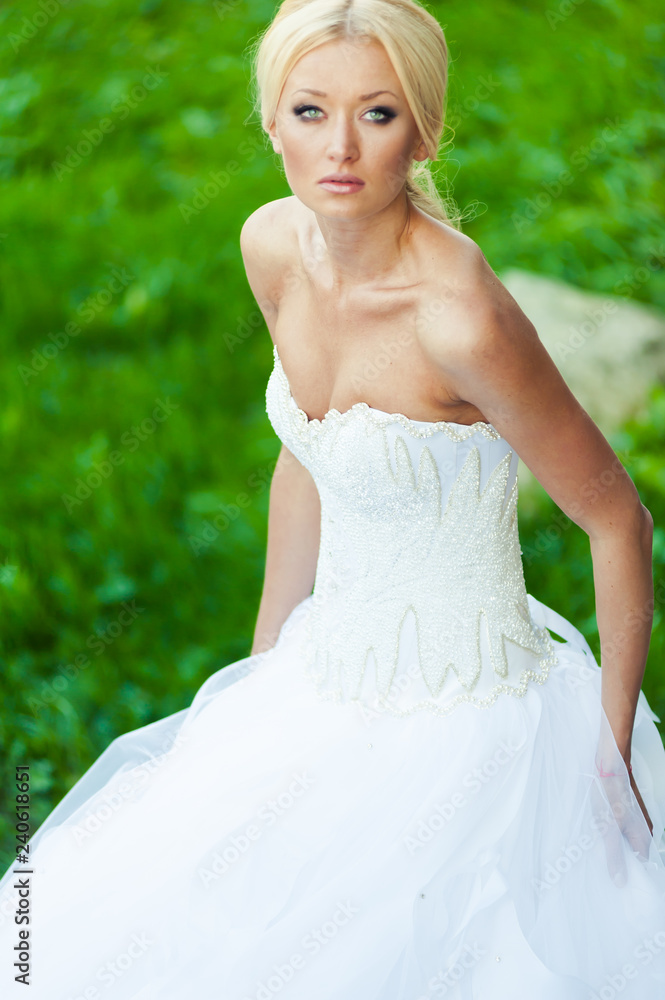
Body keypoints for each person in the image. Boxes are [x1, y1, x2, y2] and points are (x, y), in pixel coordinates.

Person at [2, 1, 665, 997]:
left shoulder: (459, 320)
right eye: (310, 112)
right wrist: (263, 670)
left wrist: (606, 768)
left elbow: (617, 519)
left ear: (424, 131)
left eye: (378, 114)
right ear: (271, 121)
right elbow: (307, 453)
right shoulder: (272, 246)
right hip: (324, 669)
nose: (339, 148)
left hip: (467, 711)